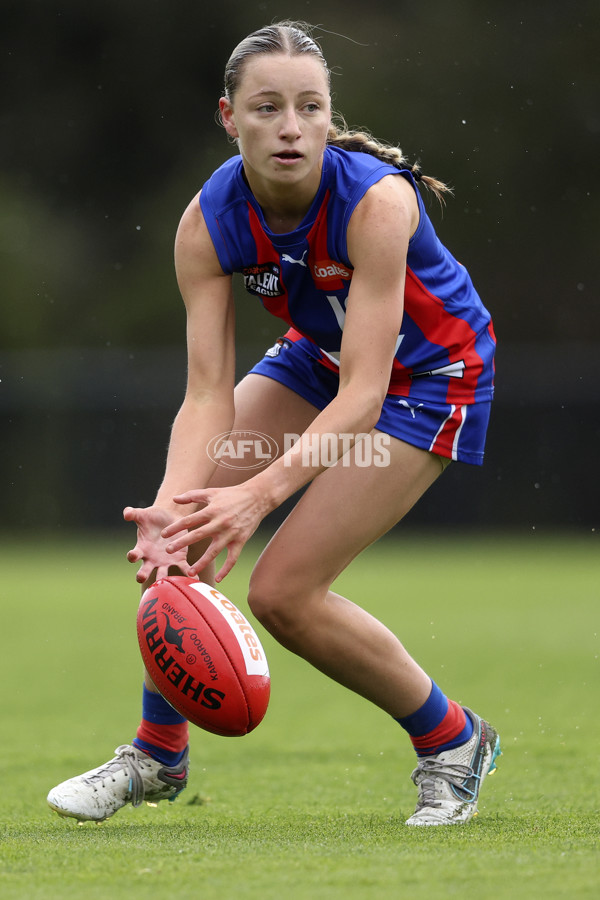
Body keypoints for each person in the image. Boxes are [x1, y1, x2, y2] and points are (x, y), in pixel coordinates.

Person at [47, 20, 500, 827]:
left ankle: (454, 740)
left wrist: (259, 495)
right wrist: (168, 511)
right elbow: (207, 393)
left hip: (428, 379)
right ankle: (159, 754)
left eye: (308, 107)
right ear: (229, 117)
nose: (289, 127)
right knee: (181, 532)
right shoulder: (207, 222)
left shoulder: (376, 203)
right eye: (266, 108)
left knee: (283, 595)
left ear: (330, 116)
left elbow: (364, 395)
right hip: (318, 357)